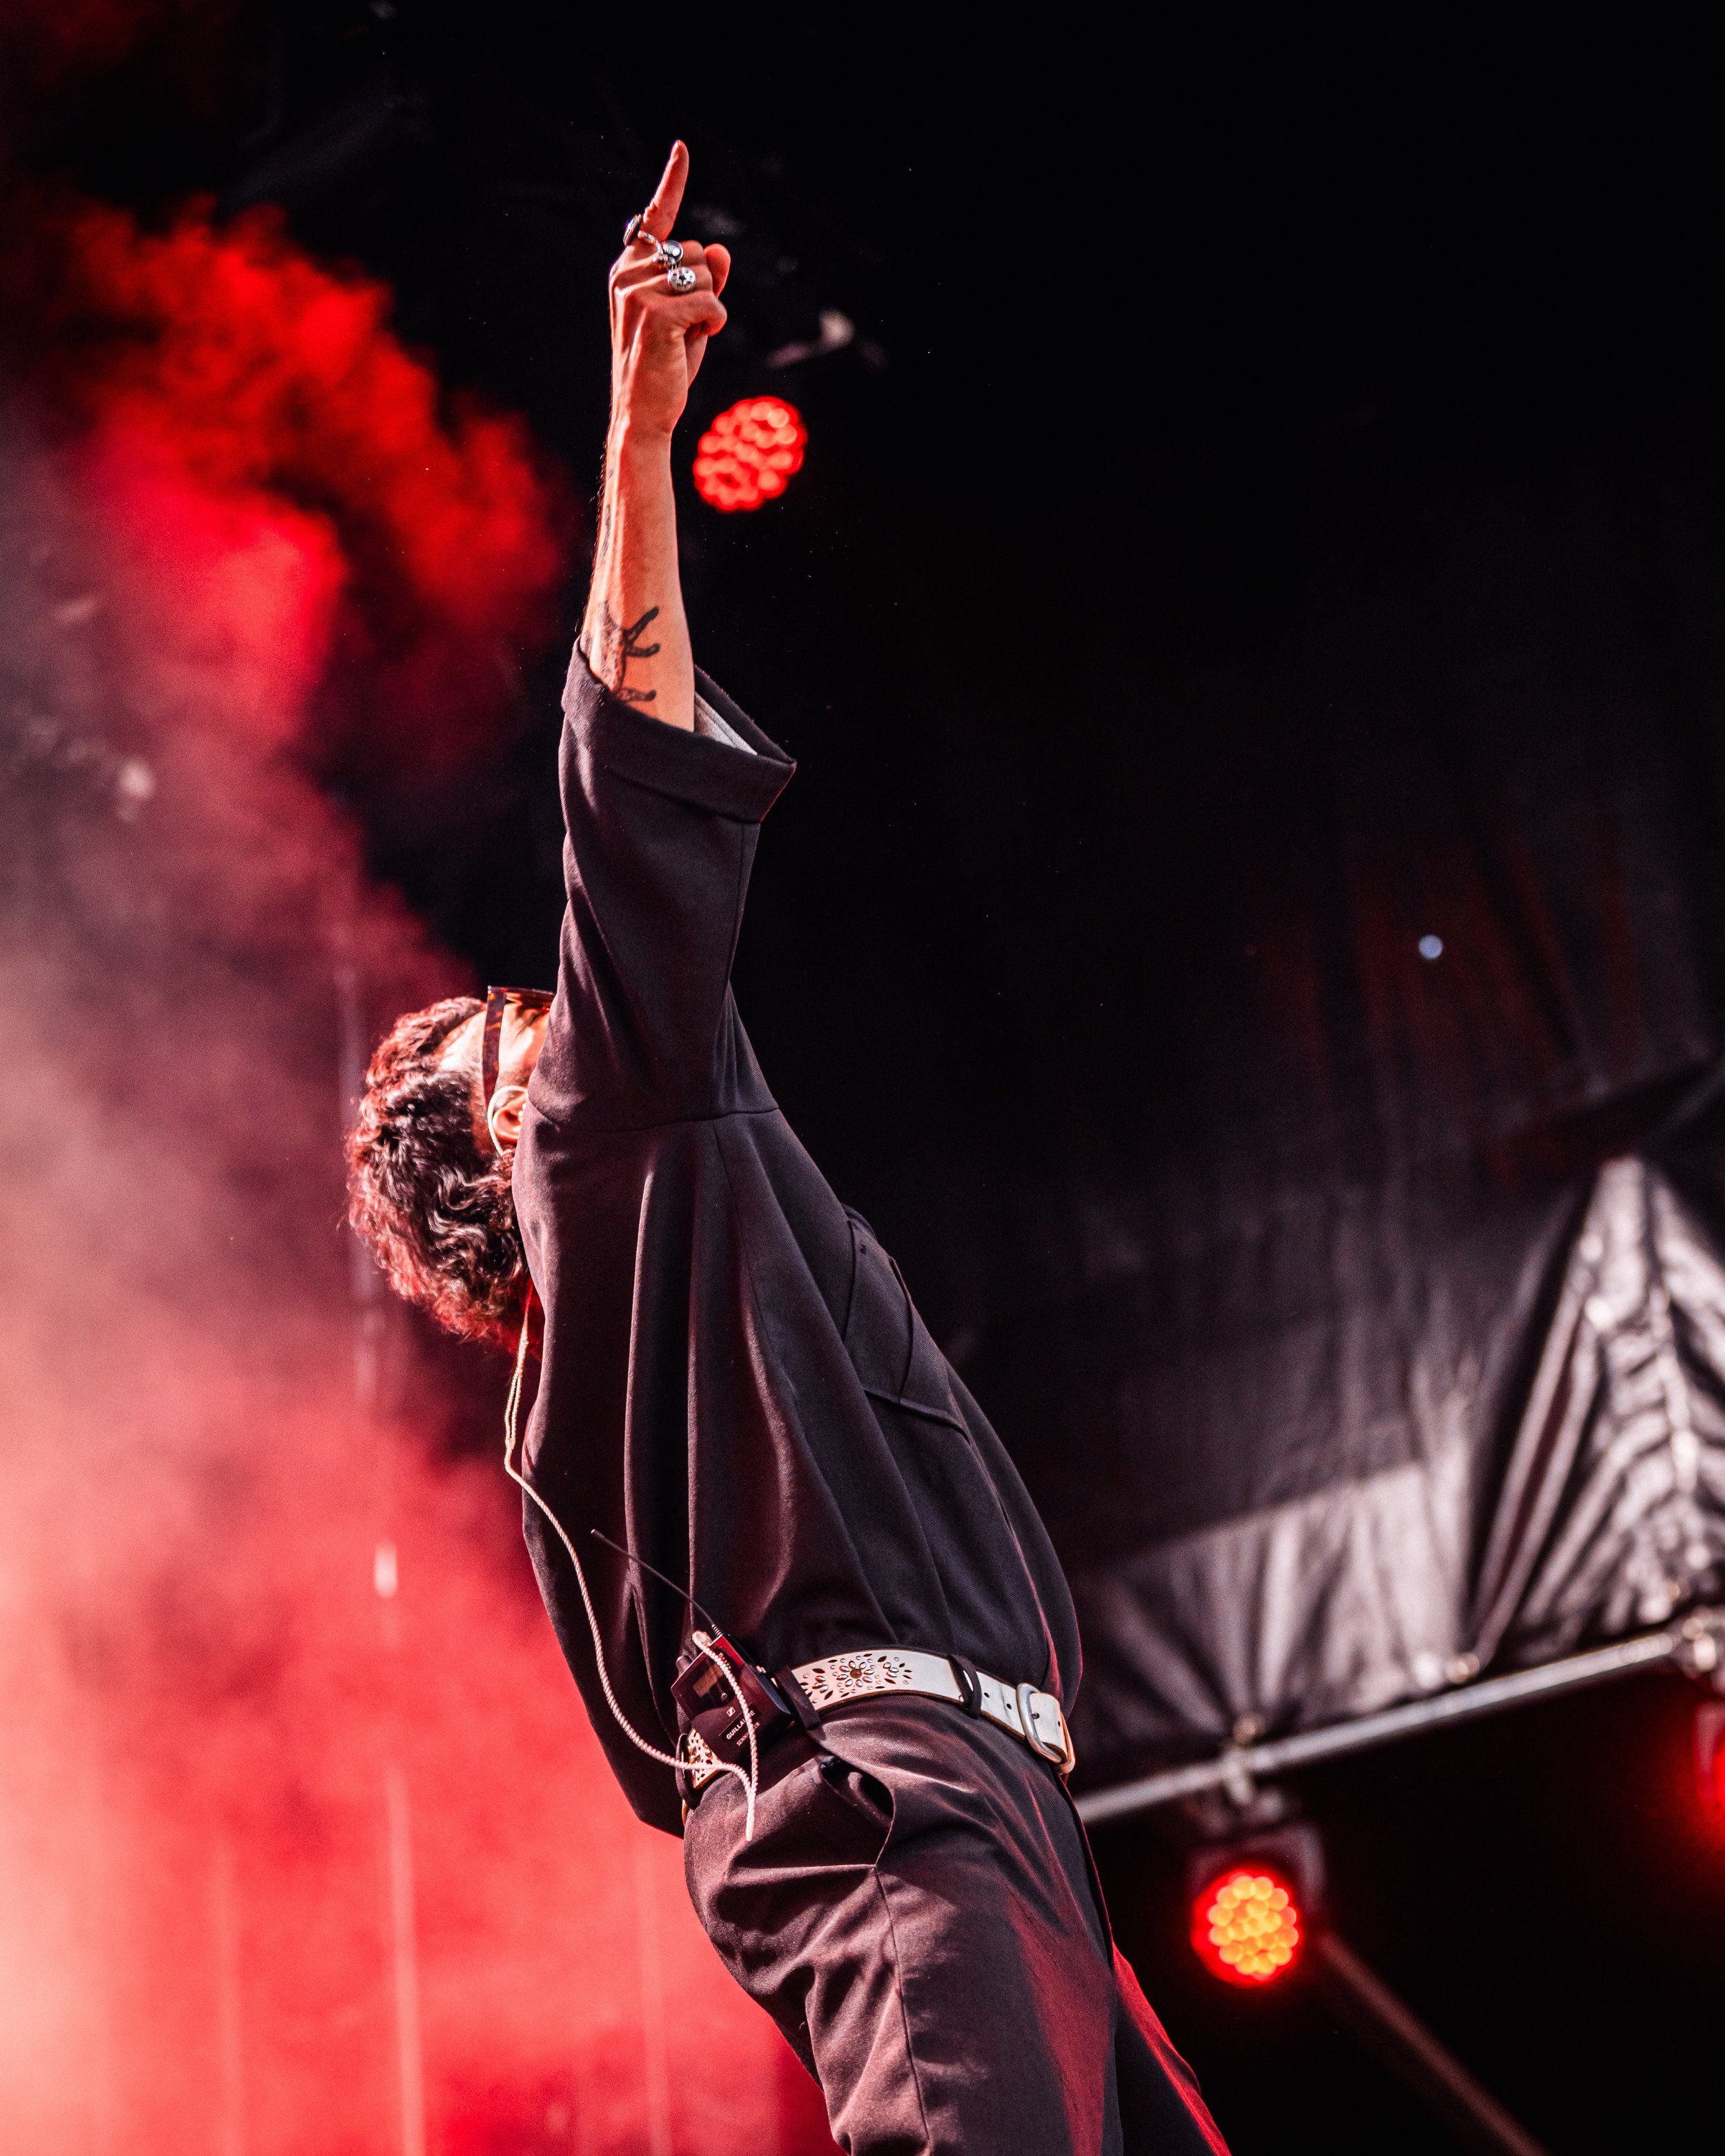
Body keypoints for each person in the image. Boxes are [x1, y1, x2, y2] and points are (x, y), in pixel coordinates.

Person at [347, 141, 1228, 2156]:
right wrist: (643, 426)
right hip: (905, 1803)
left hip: (972, 1812)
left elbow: (679, 1777)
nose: (566, 1019)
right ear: (518, 1155)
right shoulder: (610, 1150)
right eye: (529, 1040)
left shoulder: (623, 1332)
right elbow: (625, 777)